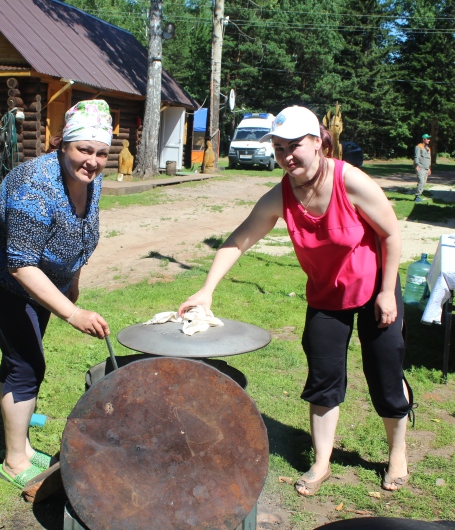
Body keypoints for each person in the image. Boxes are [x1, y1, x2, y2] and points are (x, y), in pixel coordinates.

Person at [178, 106, 412, 496]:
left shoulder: (349, 180)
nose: (287, 156)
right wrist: (206, 289)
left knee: (386, 375)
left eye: (295, 146)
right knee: (323, 379)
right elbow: (239, 239)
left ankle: (398, 453)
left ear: (319, 143)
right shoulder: (282, 194)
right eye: (279, 147)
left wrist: (388, 292)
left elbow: (390, 234)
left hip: (375, 288)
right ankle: (322, 462)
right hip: (326, 295)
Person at [0, 100, 112, 489]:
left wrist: (73, 283)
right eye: (84, 149)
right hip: (1, 276)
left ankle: (25, 446)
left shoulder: (89, 181)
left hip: (45, 281)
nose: (92, 161)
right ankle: (14, 461)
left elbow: (82, 235)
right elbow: (20, 263)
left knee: (21, 358)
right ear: (62, 143)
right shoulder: (34, 184)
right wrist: (72, 313)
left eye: (101, 153)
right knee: (27, 363)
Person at [414, 133, 432, 203]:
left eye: (429, 139)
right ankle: (417, 196)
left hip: (426, 168)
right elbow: (417, 156)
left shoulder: (428, 148)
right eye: (427, 139)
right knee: (421, 182)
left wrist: (429, 168)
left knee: (424, 183)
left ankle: (418, 195)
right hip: (420, 168)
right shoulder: (419, 146)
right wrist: (416, 165)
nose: (429, 140)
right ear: (424, 139)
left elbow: (429, 159)